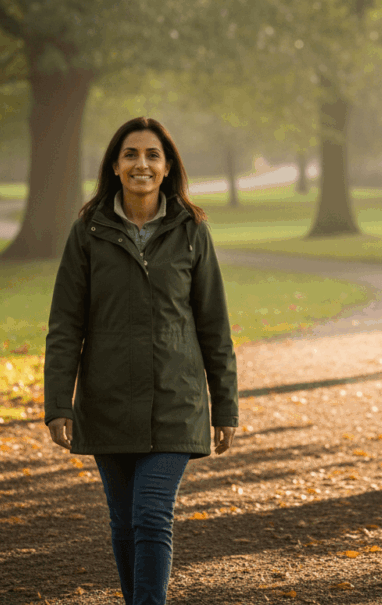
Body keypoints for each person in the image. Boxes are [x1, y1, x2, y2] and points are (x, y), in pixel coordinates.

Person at [44, 116, 238, 605]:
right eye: (131, 154)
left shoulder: (192, 231)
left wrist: (226, 407)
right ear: (115, 165)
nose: (141, 165)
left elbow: (214, 325)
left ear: (168, 167)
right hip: (107, 398)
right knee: (124, 520)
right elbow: (66, 324)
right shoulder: (88, 231)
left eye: (152, 155)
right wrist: (58, 403)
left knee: (151, 514)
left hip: (176, 399)